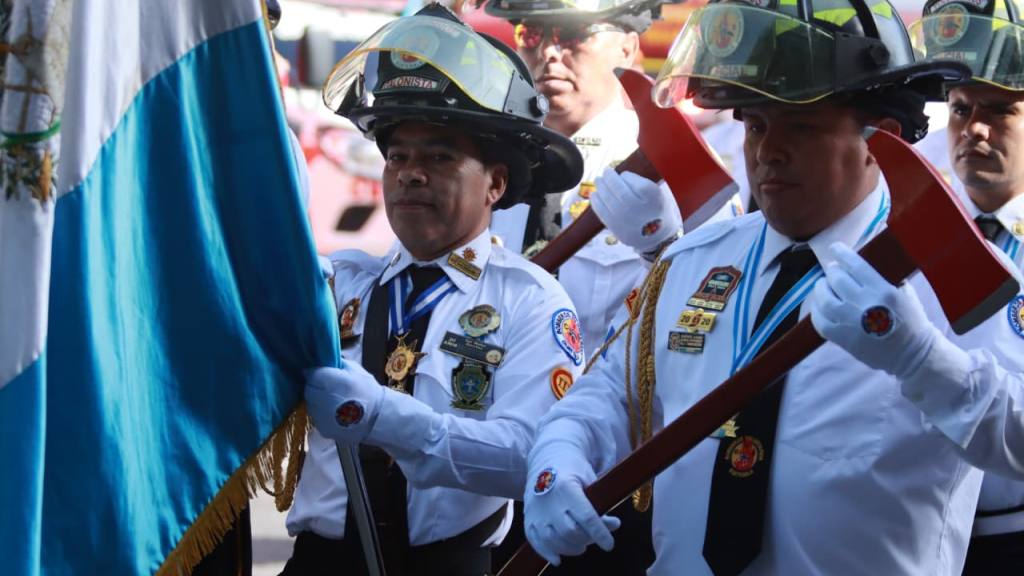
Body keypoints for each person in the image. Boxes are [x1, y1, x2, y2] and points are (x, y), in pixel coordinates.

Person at [521, 0, 1024, 573]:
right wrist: (556, 463)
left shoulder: (956, 280)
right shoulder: (692, 262)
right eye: (756, 125)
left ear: (879, 137)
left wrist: (922, 360)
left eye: (800, 127)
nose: (767, 152)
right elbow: (608, 393)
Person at [280, 4, 587, 575]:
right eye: (397, 156)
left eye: (439, 157)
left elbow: (531, 456)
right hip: (320, 562)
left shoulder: (531, 300)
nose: (410, 173)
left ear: (495, 183)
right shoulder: (337, 283)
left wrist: (385, 419)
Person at [480, 2, 702, 572]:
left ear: (628, 47)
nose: (550, 53)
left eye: (575, 35)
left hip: (609, 480)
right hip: (491, 470)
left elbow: (702, 326)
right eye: (532, 34)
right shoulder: (487, 169)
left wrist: (663, 248)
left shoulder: (676, 175)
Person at [912, 2, 1024, 571]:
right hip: (907, 530)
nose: (974, 129)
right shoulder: (901, 217)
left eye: (1001, 110)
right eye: (960, 109)